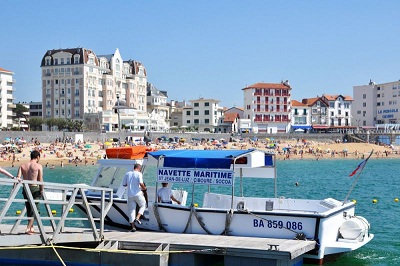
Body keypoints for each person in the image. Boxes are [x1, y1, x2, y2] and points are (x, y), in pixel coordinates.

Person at [16, 150, 44, 235]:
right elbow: (40, 180)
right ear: (38, 157)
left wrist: (14, 187)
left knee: (29, 208)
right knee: (35, 209)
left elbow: (18, 177)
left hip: (25, 188)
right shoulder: (38, 166)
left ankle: (31, 227)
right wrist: (42, 189)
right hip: (34, 188)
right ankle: (28, 227)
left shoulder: (22, 166)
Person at [122, 163, 146, 232]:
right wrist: (144, 188)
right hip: (138, 194)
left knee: (131, 211)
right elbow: (141, 183)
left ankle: (133, 227)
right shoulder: (139, 174)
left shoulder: (127, 174)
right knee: (143, 205)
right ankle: (138, 217)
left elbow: (124, 184)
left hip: (130, 195)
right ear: (139, 168)